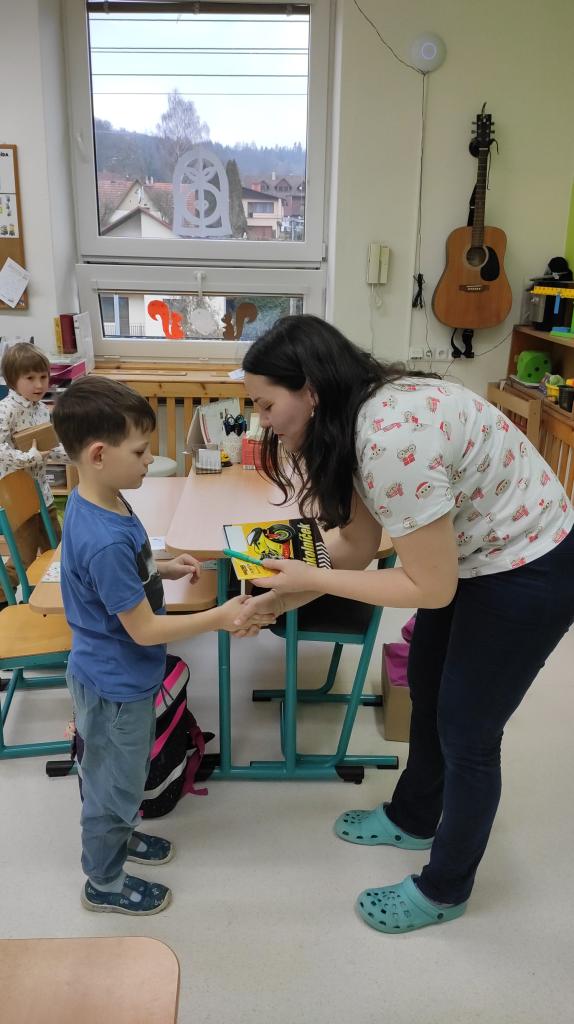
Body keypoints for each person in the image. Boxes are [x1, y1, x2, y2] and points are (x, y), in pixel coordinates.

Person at [236, 313, 574, 934]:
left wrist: (309, 579)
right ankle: (414, 817)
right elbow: (357, 546)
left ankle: (445, 888)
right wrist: (281, 596)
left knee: (469, 732)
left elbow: (428, 586)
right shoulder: (353, 417)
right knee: (425, 682)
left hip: (532, 563)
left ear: (310, 390)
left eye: (266, 404)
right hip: (475, 557)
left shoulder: (389, 441)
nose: (263, 421)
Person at [53, 376, 274, 916]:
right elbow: (145, 630)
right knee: (112, 788)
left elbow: (129, 571)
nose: (151, 459)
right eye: (141, 451)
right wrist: (216, 617)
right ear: (99, 455)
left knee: (122, 778)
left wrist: (166, 567)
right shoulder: (103, 538)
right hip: (114, 685)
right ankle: (103, 883)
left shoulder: (107, 500)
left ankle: (122, 836)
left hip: (122, 676)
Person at [0, 342, 64, 606]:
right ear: (12, 380)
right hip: (19, 498)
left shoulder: (40, 408)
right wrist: (28, 458)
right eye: (30, 378)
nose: (39, 384)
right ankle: (2, 598)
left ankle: (56, 595)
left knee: (58, 548)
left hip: (42, 494)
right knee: (23, 557)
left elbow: (48, 447)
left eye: (43, 377)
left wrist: (78, 456)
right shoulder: (6, 409)